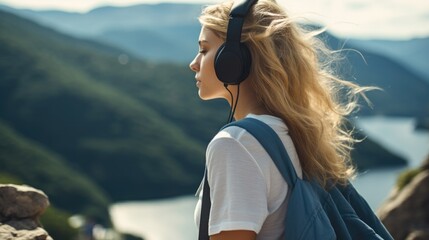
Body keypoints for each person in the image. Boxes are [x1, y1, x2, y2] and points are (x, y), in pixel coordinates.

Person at [189, 0, 369, 239]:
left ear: (233, 59)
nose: (194, 64)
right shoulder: (295, 134)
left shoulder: (235, 145)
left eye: (204, 50)